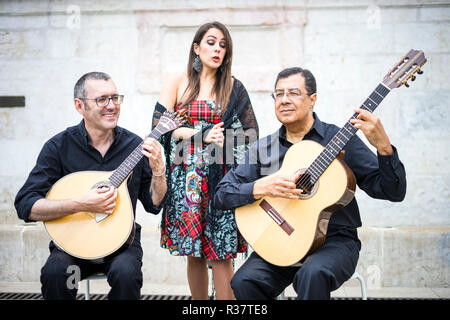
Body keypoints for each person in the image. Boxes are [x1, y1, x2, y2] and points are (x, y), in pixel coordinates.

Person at [214, 67, 407, 300]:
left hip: (335, 243)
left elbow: (393, 192)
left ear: (312, 99)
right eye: (279, 94)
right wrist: (263, 187)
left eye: (294, 93)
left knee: (311, 274)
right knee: (244, 281)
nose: (284, 100)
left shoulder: (340, 140)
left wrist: (384, 149)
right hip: (280, 241)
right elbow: (221, 195)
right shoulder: (263, 149)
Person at [14, 72, 167, 300]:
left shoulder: (135, 146)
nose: (112, 106)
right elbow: (26, 206)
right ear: (79, 106)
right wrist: (80, 204)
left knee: (126, 275)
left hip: (121, 246)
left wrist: (158, 171)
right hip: (74, 251)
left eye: (116, 98)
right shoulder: (59, 147)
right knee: (57, 274)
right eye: (102, 99)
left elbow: (154, 204)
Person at [151, 21, 258, 300]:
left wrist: (226, 140)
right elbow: (159, 128)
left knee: (221, 252)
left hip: (223, 179)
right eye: (211, 42)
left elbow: (250, 135)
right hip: (185, 180)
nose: (217, 49)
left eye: (223, 45)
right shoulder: (178, 82)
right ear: (196, 48)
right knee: (194, 253)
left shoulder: (234, 87)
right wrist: (201, 134)